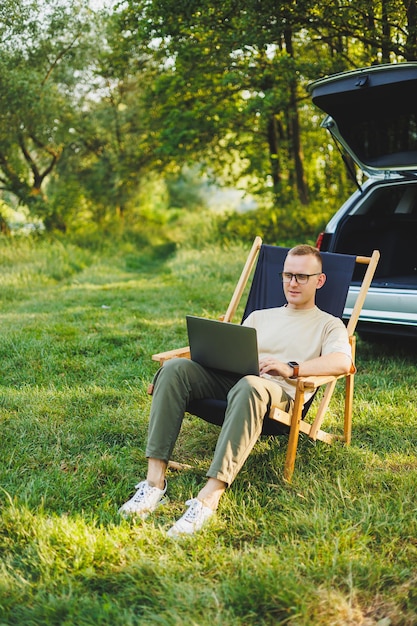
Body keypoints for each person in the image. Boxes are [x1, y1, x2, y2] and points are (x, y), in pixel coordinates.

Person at [118, 244, 353, 537]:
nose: (293, 283)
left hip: (278, 394)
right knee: (175, 369)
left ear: (320, 280)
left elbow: (343, 362)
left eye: (302, 277)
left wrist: (290, 368)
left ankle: (208, 498)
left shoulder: (328, 325)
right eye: (287, 275)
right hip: (236, 381)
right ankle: (154, 484)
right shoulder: (259, 316)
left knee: (251, 385)